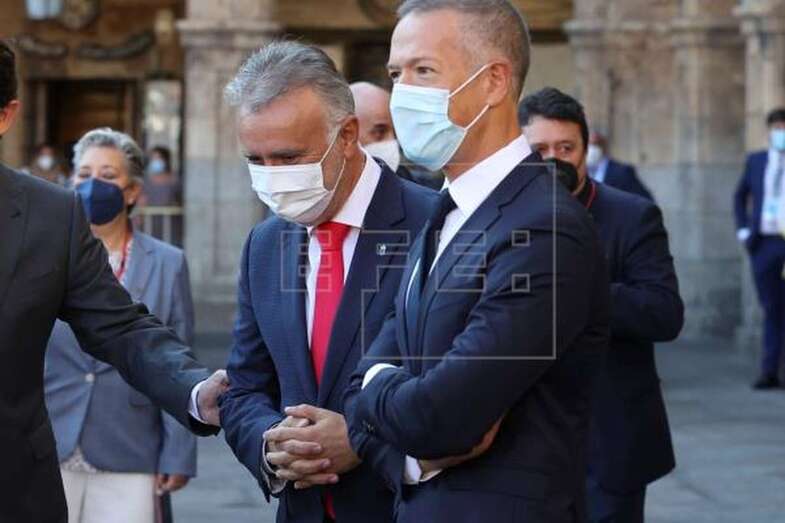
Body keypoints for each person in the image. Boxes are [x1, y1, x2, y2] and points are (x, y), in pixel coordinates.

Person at [331, 2, 610, 522]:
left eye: (424, 70)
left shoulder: (544, 227)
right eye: (397, 74)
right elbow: (359, 379)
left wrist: (379, 391)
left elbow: (445, 418)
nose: (404, 93)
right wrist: (407, 455)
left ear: (494, 82)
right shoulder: (447, 207)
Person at [0, 39, 226, 522]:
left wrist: (194, 389)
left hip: (15, 489)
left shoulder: (51, 216)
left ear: (5, 115)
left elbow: (119, 326)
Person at [218, 42, 436, 523]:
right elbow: (244, 387)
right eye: (256, 160)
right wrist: (273, 445)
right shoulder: (265, 244)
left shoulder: (436, 226)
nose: (273, 178)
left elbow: (459, 383)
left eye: (288, 157)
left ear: (347, 135)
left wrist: (363, 439)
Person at [520, 87, 684, 523]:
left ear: (585, 150)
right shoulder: (502, 216)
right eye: (539, 149)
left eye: (566, 148)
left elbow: (664, 312)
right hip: (522, 442)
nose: (553, 159)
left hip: (609, 437)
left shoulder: (632, 216)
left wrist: (586, 291)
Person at [44, 128, 197, 523]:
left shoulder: (168, 262)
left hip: (130, 447)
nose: (93, 185)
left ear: (132, 191)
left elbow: (177, 355)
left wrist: (178, 452)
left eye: (108, 176)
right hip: (46, 441)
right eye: (84, 173)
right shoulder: (40, 251)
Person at [734, 107, 785, 389]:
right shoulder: (757, 161)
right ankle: (769, 370)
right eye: (777, 128)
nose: (781, 134)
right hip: (763, 244)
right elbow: (740, 196)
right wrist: (743, 230)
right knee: (771, 307)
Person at [350, 81, 443, 190]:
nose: (392, 142)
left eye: (396, 133)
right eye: (380, 132)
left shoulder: (416, 193)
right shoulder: (327, 191)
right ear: (348, 133)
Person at [585, 130, 653, 201]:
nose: (591, 149)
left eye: (595, 144)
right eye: (588, 145)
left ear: (604, 146)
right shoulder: (579, 171)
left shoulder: (623, 172)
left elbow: (644, 199)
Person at [140, 145, 184, 246]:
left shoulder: (175, 180)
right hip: (149, 226)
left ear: (165, 160)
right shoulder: (145, 181)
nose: (155, 161)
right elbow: (141, 202)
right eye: (153, 158)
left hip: (171, 227)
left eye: (158, 158)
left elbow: (180, 200)